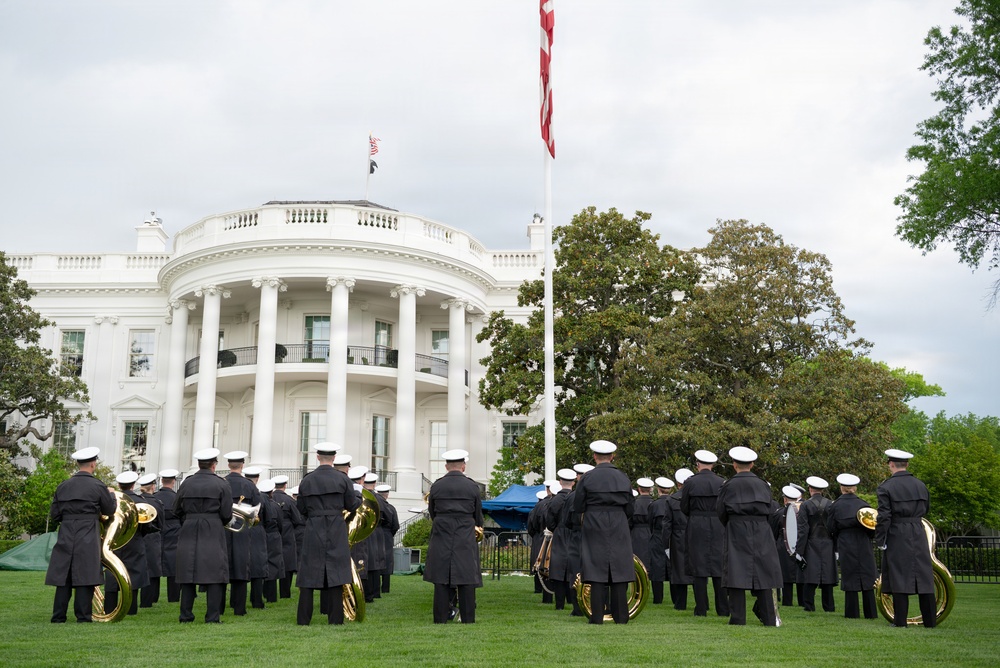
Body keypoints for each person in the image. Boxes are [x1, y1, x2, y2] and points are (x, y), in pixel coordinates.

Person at [45, 447, 116, 623]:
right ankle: (83, 616)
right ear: (93, 464)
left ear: (77, 464)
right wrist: (112, 495)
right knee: (86, 572)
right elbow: (109, 510)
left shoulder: (63, 486)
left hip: (67, 530)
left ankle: (58, 616)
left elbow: (55, 514)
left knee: (64, 574)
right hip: (88, 531)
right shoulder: (98, 485)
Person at [715, 446, 783, 625]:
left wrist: (733, 523)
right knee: (764, 571)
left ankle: (738, 618)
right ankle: (769, 617)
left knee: (735, 571)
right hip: (761, 528)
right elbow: (770, 509)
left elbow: (720, 511)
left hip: (736, 527)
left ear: (734, 464)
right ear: (752, 464)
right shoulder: (762, 485)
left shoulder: (728, 485)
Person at [296, 442, 360, 625]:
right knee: (336, 572)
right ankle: (335, 619)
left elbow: (300, 507)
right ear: (333, 459)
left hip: (313, 526)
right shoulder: (342, 479)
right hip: (335, 526)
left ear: (317, 457)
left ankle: (303, 619)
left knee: (308, 573)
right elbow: (351, 504)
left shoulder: (307, 480)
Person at [574, 440, 635, 624]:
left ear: (594, 456)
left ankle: (597, 616)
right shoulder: (623, 477)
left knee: (595, 568)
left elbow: (578, 505)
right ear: (612, 457)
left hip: (593, 521)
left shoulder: (587, 478)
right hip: (618, 522)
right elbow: (630, 507)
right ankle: (621, 617)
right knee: (619, 569)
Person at [875, 448, 936, 628]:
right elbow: (927, 509)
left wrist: (880, 539)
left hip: (897, 531)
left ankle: (900, 621)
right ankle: (930, 621)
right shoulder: (920, 485)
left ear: (891, 464)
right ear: (907, 464)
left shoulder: (885, 487)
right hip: (917, 529)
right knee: (924, 575)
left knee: (898, 574)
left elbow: (884, 516)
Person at [423, 449, 484, 623]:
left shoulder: (436, 485)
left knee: (441, 578)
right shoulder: (472, 486)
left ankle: (440, 618)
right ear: (463, 466)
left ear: (446, 466)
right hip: (464, 533)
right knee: (467, 577)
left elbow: (432, 511)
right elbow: (478, 515)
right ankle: (468, 618)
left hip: (442, 532)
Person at [174, 448, 232, 623]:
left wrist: (190, 518)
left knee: (187, 572)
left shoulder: (187, 483)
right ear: (214, 465)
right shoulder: (222, 484)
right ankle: (212, 617)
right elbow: (227, 513)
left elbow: (176, 509)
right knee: (214, 572)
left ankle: (186, 615)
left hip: (189, 526)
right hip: (213, 527)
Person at [680, 450, 729, 617]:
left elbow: (684, 507)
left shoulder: (690, 483)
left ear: (698, 464)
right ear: (713, 465)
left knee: (698, 565)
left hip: (696, 525)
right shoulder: (721, 482)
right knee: (718, 567)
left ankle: (701, 608)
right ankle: (723, 608)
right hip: (717, 524)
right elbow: (725, 506)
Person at [827, 473, 878, 619]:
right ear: (855, 488)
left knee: (849, 574)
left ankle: (852, 613)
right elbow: (872, 527)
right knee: (868, 575)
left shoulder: (835, 505)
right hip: (862, 541)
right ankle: (871, 612)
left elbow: (831, 527)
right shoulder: (863, 504)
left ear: (841, 487)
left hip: (845, 540)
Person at [104, 471, 152, 616]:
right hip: (134, 541)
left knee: (112, 573)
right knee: (134, 573)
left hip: (114, 541)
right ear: (133, 485)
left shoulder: (112, 499)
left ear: (119, 485)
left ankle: (110, 607)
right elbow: (147, 526)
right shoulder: (141, 501)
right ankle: (131, 609)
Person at [222, 450, 260, 616]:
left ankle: (219, 607)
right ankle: (239, 608)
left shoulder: (221, 482)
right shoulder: (249, 485)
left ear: (228, 465)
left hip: (223, 529)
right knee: (241, 566)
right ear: (242, 465)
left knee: (222, 568)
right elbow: (258, 509)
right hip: (242, 529)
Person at [799, 476, 837, 612]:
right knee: (827, 575)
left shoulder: (805, 505)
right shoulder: (831, 504)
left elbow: (803, 529)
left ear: (810, 489)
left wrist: (799, 550)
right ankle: (829, 606)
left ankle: (809, 605)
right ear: (822, 490)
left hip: (811, 542)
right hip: (828, 542)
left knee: (810, 575)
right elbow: (834, 527)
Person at [545, 468, 578, 611]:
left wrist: (556, 529)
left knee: (558, 568)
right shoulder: (576, 497)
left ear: (560, 482)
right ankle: (573, 600)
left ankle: (559, 604)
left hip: (559, 532)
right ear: (574, 482)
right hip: (573, 532)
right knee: (574, 566)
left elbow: (549, 521)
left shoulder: (554, 500)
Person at [771, 485, 807, 607]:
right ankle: (802, 601)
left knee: (786, 575)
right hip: (800, 545)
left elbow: (773, 531)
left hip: (782, 545)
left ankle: (787, 601)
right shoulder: (803, 512)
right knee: (800, 573)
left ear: (785, 500)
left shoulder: (778, 513)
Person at [664, 468, 693, 610]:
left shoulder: (671, 499)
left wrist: (665, 544)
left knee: (679, 570)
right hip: (694, 535)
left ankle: (680, 603)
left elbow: (667, 525)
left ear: (677, 483)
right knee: (698, 570)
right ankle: (702, 603)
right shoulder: (695, 497)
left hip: (677, 537)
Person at [242, 465, 269, 610]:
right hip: (256, 530)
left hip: (240, 529)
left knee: (239, 565)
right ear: (257, 479)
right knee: (257, 568)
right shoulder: (261, 496)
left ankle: (236, 600)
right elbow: (268, 517)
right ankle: (257, 601)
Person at [271, 474, 303, 599]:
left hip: (274, 531)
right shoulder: (290, 500)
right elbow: (297, 519)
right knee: (288, 563)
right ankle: (285, 593)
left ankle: (270, 592)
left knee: (272, 561)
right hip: (288, 532)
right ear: (285, 485)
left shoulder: (271, 498)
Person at [137, 472, 165, 607]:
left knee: (139, 566)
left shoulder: (136, 500)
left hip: (137, 537)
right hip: (152, 536)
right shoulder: (157, 502)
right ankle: (148, 600)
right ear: (153, 487)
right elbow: (161, 523)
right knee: (153, 568)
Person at [153, 468, 182, 602]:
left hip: (157, 530)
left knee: (154, 563)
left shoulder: (154, 497)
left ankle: (151, 598)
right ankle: (174, 597)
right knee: (174, 564)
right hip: (175, 530)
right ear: (174, 481)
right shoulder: (177, 497)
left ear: (161, 481)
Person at [257, 478, 285, 604]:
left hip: (262, 535)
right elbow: (281, 523)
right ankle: (271, 596)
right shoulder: (275, 506)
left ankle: (261, 593)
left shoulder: (258, 504)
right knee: (274, 564)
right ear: (271, 492)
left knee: (263, 563)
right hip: (273, 535)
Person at [648, 476, 674, 605]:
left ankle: (658, 599)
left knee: (657, 566)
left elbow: (650, 522)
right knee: (674, 566)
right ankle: (676, 598)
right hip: (671, 536)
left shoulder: (654, 505)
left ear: (658, 489)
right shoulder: (674, 502)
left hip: (657, 536)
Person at [363, 472, 387, 600]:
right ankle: (375, 592)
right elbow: (388, 517)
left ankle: (368, 594)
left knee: (367, 562)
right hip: (377, 530)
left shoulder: (362, 495)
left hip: (365, 530)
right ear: (375, 484)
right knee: (375, 562)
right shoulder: (378, 498)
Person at [375, 483, 400, 595]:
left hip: (375, 533)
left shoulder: (374, 506)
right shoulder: (391, 508)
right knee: (387, 559)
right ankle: (385, 588)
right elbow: (396, 525)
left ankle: (374, 586)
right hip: (387, 534)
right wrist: (390, 534)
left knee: (375, 557)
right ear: (387, 495)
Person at [631, 478, 654, 583]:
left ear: (639, 489)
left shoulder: (634, 503)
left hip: (636, 534)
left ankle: (638, 590)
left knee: (637, 562)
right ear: (650, 489)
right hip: (651, 532)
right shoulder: (654, 503)